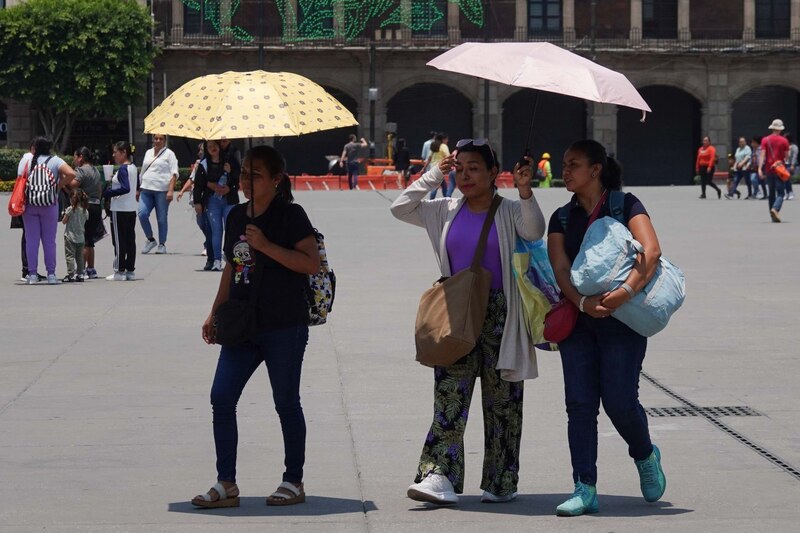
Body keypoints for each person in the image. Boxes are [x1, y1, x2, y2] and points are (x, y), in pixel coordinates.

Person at [390, 138, 545, 505]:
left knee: (503, 402)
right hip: (457, 311)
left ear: (494, 173)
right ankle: (438, 475)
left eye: (475, 168)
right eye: (461, 168)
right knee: (449, 397)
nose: (466, 174)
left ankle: (500, 480)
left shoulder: (508, 211)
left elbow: (534, 230)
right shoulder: (444, 209)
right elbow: (401, 207)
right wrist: (433, 175)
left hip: (501, 316)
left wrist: (525, 191)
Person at [192, 145, 320, 509]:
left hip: (284, 324)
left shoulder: (290, 215)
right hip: (242, 322)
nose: (245, 180)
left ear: (276, 180)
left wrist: (265, 245)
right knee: (221, 398)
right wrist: (213, 312)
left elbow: (310, 263)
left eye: (255, 175)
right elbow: (232, 268)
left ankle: (293, 480)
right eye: (244, 173)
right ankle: (226, 482)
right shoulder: (235, 216)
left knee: (285, 403)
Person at [546, 139, 666, 517]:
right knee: (580, 405)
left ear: (595, 170)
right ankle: (585, 487)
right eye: (564, 164)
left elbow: (651, 251)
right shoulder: (561, 218)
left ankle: (645, 454)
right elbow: (560, 268)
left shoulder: (625, 205)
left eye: (573, 164)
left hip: (623, 321)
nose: (564, 171)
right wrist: (583, 303)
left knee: (619, 401)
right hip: (578, 322)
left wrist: (623, 293)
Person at [22, 136, 77, 285]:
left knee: (31, 241)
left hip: (30, 205)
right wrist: (58, 185)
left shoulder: (27, 161)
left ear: (35, 148)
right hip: (50, 204)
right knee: (49, 241)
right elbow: (72, 174)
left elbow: (20, 180)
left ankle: (32, 275)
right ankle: (51, 274)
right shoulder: (55, 161)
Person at [194, 140, 240, 271]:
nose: (212, 148)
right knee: (216, 230)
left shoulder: (230, 160)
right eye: (209, 147)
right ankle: (216, 260)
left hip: (229, 200)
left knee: (230, 230)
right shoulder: (204, 164)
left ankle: (230, 259)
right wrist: (198, 202)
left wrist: (230, 185)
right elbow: (198, 185)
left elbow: (238, 179)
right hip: (212, 201)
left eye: (214, 145)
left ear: (219, 147)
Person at [103, 141, 139, 281]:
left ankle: (119, 270)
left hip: (119, 209)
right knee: (130, 239)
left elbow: (126, 188)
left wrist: (109, 193)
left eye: (115, 152)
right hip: (131, 208)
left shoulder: (123, 169)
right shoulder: (133, 167)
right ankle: (130, 269)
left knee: (119, 240)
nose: (113, 155)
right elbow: (134, 186)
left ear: (123, 152)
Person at [137, 134, 179, 254]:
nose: (158, 141)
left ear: (165, 141)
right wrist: (138, 188)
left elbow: (174, 173)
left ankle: (162, 244)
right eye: (156, 138)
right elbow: (143, 170)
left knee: (161, 219)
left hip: (162, 190)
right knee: (142, 214)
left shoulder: (169, 154)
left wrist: (170, 190)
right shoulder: (148, 152)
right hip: (146, 189)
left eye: (161, 139)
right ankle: (150, 239)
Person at [69, 147, 103, 278]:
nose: (74, 160)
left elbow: (72, 185)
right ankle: (91, 269)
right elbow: (99, 189)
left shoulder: (81, 171)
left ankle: (80, 270)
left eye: (75, 157)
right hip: (96, 206)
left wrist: (64, 179)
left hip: (85, 207)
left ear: (81, 157)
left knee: (83, 240)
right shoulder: (96, 170)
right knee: (90, 240)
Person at [178, 142, 214, 266]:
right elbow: (192, 179)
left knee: (209, 225)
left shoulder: (213, 163)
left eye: (202, 150)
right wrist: (182, 190)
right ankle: (209, 243)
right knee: (201, 223)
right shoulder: (198, 164)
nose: (200, 152)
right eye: (200, 150)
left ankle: (211, 250)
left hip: (210, 198)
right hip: (198, 199)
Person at [759, 119, 790, 223]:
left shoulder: (765, 140)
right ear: (780, 129)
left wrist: (759, 168)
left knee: (771, 193)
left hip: (769, 169)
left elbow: (762, 154)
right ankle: (775, 209)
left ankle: (772, 216)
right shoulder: (784, 141)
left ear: (772, 128)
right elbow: (787, 157)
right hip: (779, 170)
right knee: (781, 193)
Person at [13, 140, 35, 282]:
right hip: (27, 202)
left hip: (23, 202)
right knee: (28, 236)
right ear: (33, 148)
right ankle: (27, 270)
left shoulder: (25, 159)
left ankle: (29, 269)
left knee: (28, 235)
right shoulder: (30, 159)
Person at [61, 188, 89, 282]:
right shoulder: (85, 211)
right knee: (79, 257)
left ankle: (71, 274)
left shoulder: (70, 210)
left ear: (71, 199)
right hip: (81, 237)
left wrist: (64, 214)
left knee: (70, 256)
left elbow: (64, 221)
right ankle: (80, 274)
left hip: (70, 237)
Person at [426, 134, 451, 199]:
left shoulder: (434, 146)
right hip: (440, 167)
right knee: (437, 185)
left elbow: (429, 158)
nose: (447, 141)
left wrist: (424, 168)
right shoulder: (443, 146)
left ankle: (446, 198)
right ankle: (434, 199)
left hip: (433, 168)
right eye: (446, 139)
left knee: (443, 184)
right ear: (443, 139)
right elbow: (448, 156)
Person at [783, 132, 797, 200]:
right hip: (784, 164)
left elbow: (794, 156)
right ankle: (787, 192)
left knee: (787, 179)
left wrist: (792, 165)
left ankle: (790, 192)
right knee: (784, 180)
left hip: (789, 164)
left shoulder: (794, 147)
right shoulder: (784, 146)